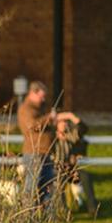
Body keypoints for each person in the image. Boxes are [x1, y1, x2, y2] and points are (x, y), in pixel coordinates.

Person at [16, 81, 76, 211]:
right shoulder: (26, 109)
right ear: (33, 93)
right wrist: (49, 117)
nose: (43, 99)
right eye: (41, 96)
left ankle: (48, 216)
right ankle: (27, 215)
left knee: (48, 186)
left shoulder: (40, 108)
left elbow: (45, 125)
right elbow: (32, 125)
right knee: (31, 186)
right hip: (34, 153)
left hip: (46, 153)